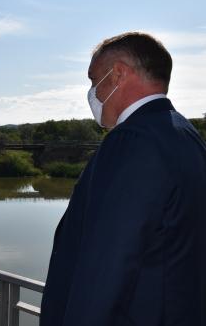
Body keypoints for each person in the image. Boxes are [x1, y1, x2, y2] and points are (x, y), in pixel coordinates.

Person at [40, 32, 206, 325]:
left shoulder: (131, 142)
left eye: (93, 81)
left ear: (118, 74)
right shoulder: (186, 136)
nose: (93, 92)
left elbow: (104, 267)